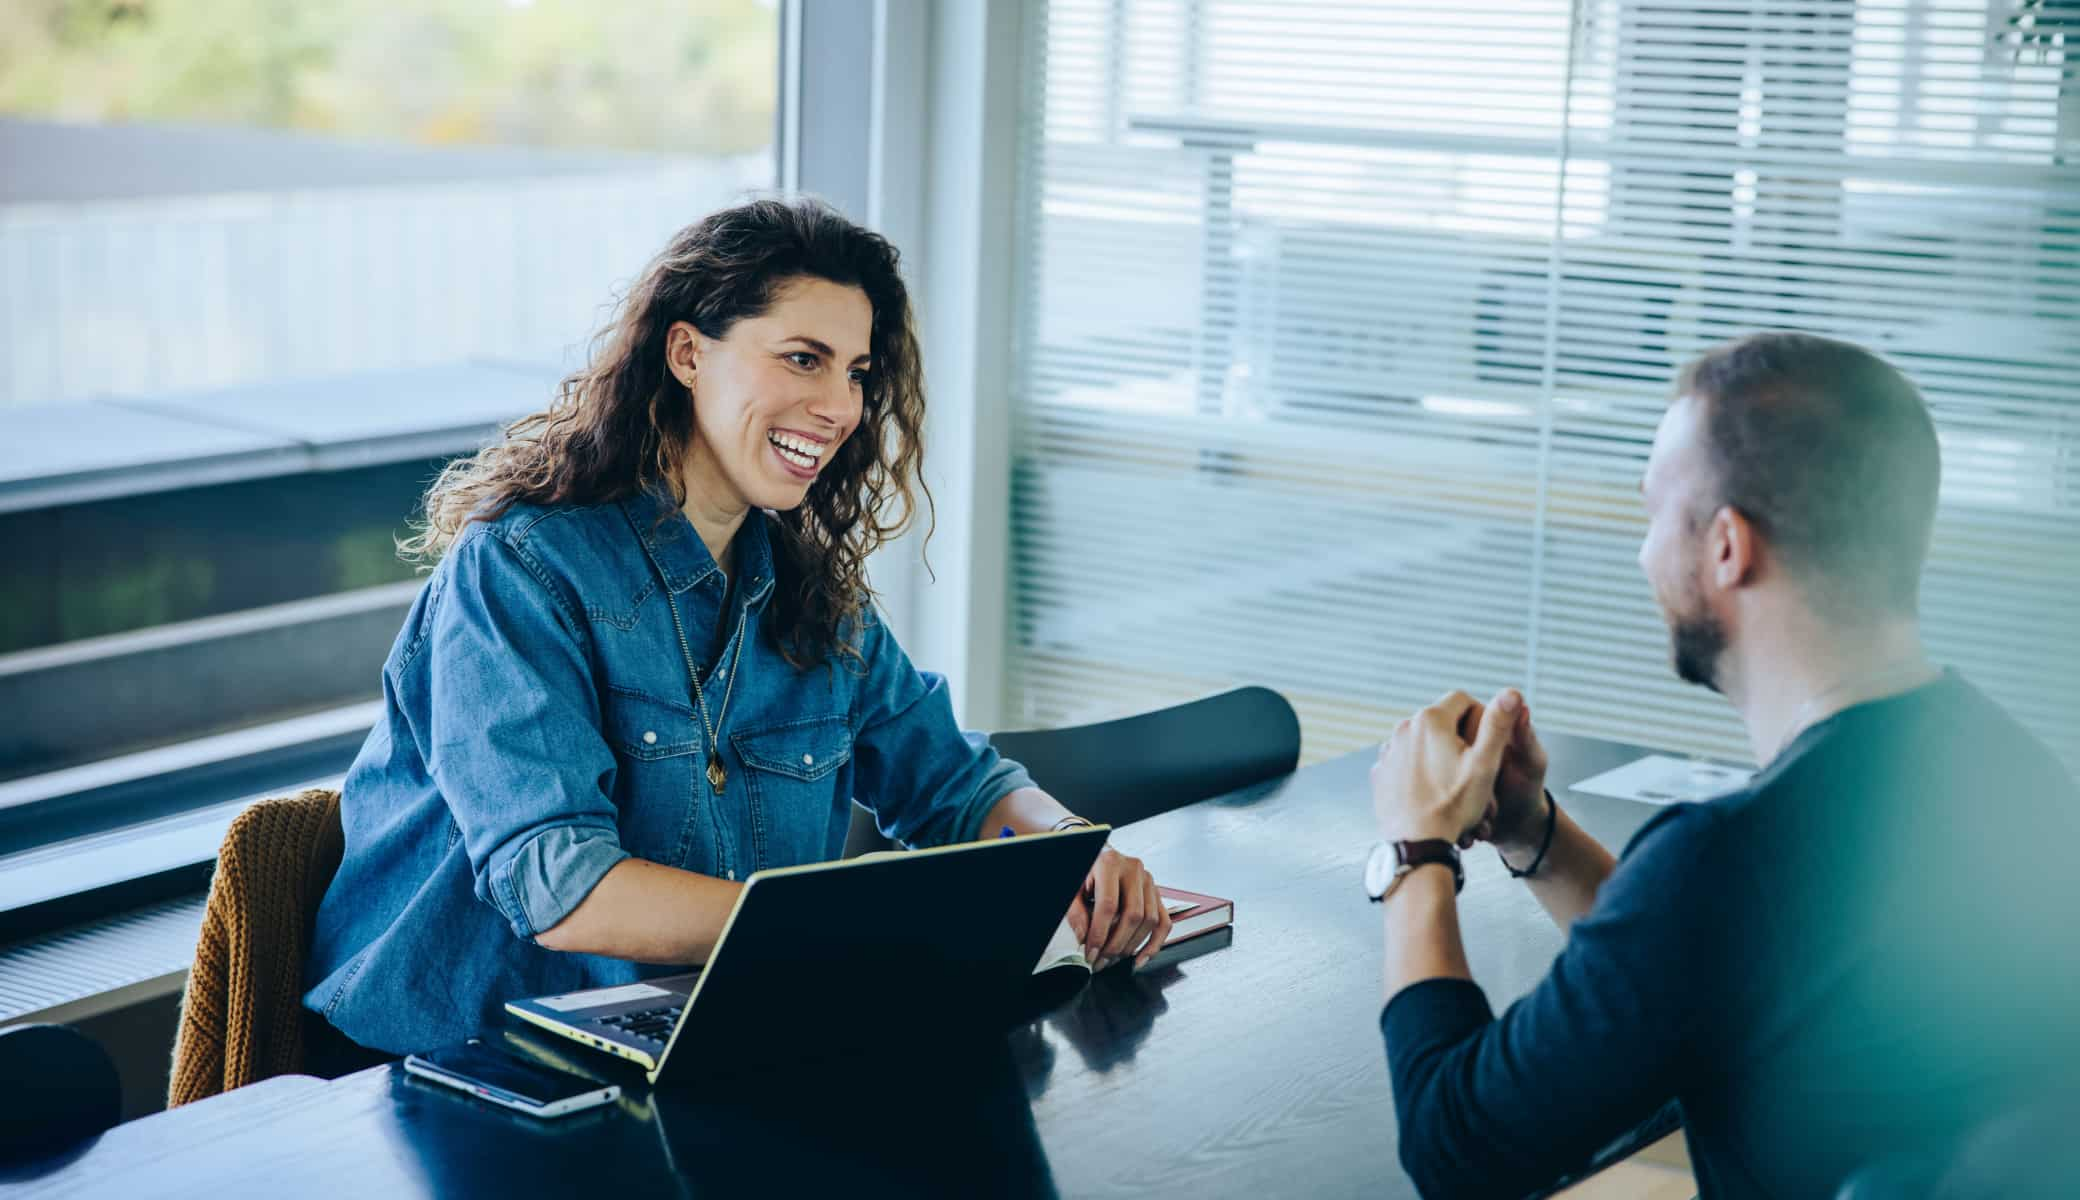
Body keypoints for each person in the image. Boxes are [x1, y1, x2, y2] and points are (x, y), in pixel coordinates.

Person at [304, 198, 1170, 1057]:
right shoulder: (523, 569)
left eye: (859, 374)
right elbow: (561, 887)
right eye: (804, 359)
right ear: (688, 352)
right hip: (455, 1062)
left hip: (705, 1031)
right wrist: (842, 930)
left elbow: (955, 784)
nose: (840, 407)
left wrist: (1067, 853)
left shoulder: (813, 592)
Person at [1364, 332, 2080, 1197]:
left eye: (1653, 513)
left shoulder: (1730, 857)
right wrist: (1535, 833)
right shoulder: (2012, 771)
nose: (1641, 554)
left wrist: (1414, 853)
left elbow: (1457, 1150)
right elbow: (1719, 963)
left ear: (1727, 547)